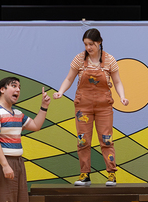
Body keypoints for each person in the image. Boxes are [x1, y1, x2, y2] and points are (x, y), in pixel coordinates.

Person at [53, 28, 129, 185]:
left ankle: (111, 174)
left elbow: (117, 81)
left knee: (106, 140)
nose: (88, 48)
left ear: (99, 42)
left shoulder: (109, 60)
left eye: (91, 44)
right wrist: (60, 91)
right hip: (83, 106)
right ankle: (84, 174)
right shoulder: (79, 59)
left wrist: (122, 97)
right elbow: (69, 78)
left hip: (104, 107)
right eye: (86, 44)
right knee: (83, 140)